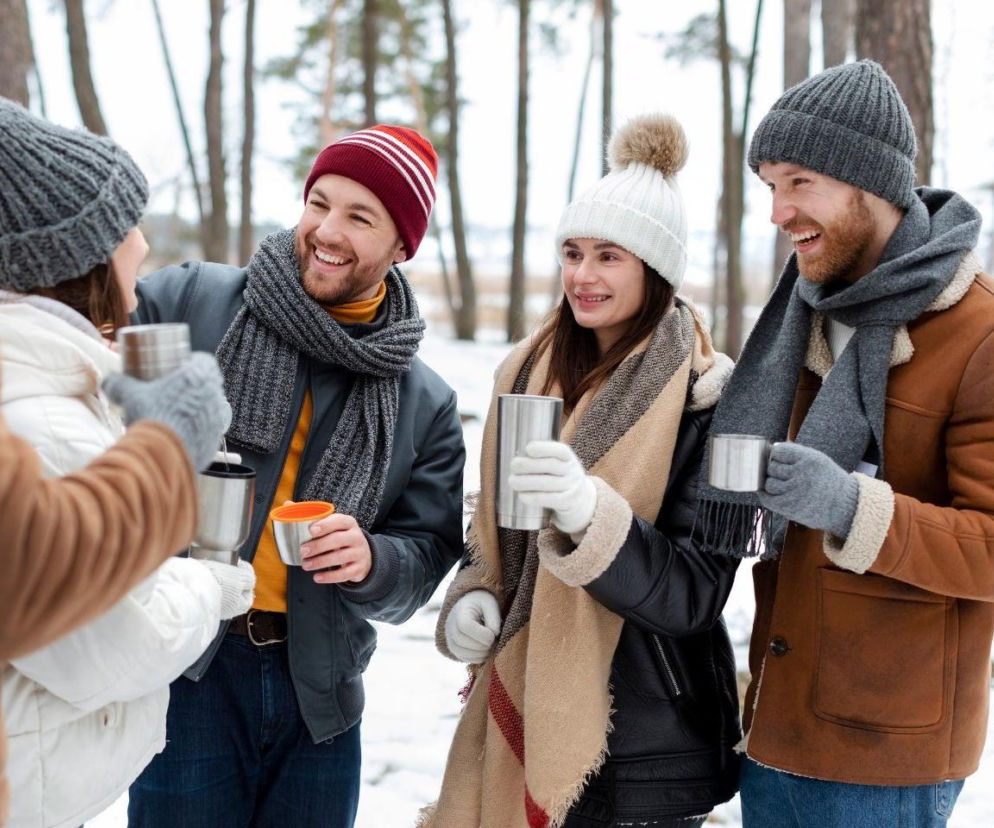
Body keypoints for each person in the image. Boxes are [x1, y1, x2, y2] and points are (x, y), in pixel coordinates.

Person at [127, 124, 465, 827]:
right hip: (188, 668)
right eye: (320, 202)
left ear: (403, 245)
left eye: (359, 216)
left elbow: (428, 553)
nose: (326, 231)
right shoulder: (193, 303)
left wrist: (375, 558)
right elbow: (86, 355)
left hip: (320, 694)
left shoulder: (423, 399)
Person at [694, 60, 994, 828]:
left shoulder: (977, 333)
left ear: (869, 183)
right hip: (776, 716)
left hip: (885, 750)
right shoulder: (804, 308)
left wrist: (852, 507)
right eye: (768, 186)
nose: (777, 211)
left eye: (799, 182)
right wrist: (719, 404)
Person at [422, 114, 740, 828]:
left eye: (609, 256)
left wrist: (589, 517)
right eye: (573, 252)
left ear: (654, 267)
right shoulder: (528, 371)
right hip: (521, 700)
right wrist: (476, 591)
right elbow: (496, 529)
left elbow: (694, 594)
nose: (583, 276)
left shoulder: (706, 400)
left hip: (644, 749)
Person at [0, 100, 256, 828]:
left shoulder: (48, 391)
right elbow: (114, 645)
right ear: (75, 257)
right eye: (125, 226)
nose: (142, 247)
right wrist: (211, 578)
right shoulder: (37, 424)